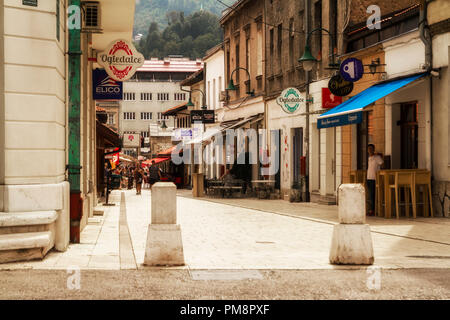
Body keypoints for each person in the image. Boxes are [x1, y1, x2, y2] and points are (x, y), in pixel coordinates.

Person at [367, 144, 384, 216]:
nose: (370, 150)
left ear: (373, 149)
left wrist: (380, 173)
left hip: (374, 178)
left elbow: (382, 164)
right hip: (368, 178)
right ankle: (371, 209)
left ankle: (373, 210)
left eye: (371, 148)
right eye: (369, 149)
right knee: (370, 195)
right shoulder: (369, 158)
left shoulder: (377, 157)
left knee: (373, 195)